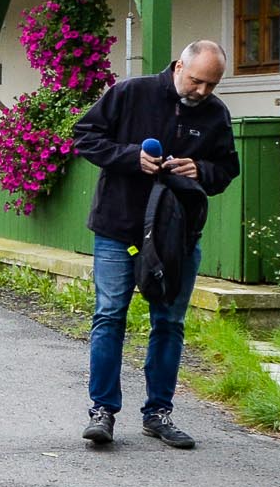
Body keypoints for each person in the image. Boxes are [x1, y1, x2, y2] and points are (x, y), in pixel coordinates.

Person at [71, 40, 237, 448]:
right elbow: (84, 136)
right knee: (109, 315)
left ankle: (158, 413)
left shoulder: (215, 114)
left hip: (177, 236)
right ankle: (102, 411)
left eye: (211, 85)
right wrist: (131, 157)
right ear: (179, 65)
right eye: (196, 81)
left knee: (169, 322)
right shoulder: (131, 92)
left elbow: (227, 168)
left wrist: (200, 169)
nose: (201, 92)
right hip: (119, 226)